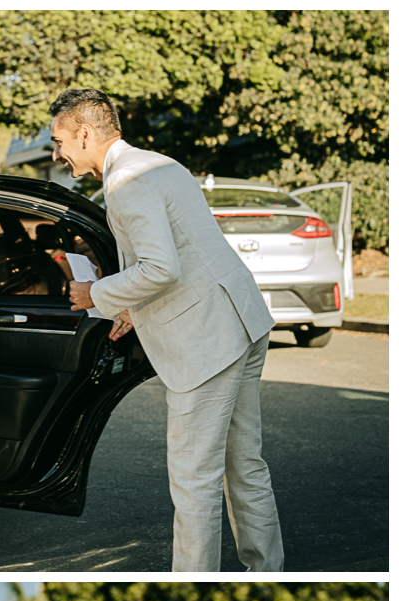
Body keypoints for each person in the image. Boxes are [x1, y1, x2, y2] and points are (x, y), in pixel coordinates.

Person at [48, 88, 283, 573]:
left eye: (59, 140)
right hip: (242, 317)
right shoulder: (160, 164)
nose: (57, 153)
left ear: (85, 133)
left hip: (207, 340)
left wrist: (97, 294)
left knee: (194, 478)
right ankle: (267, 572)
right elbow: (186, 248)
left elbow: (160, 268)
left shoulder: (125, 183)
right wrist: (131, 310)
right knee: (245, 466)